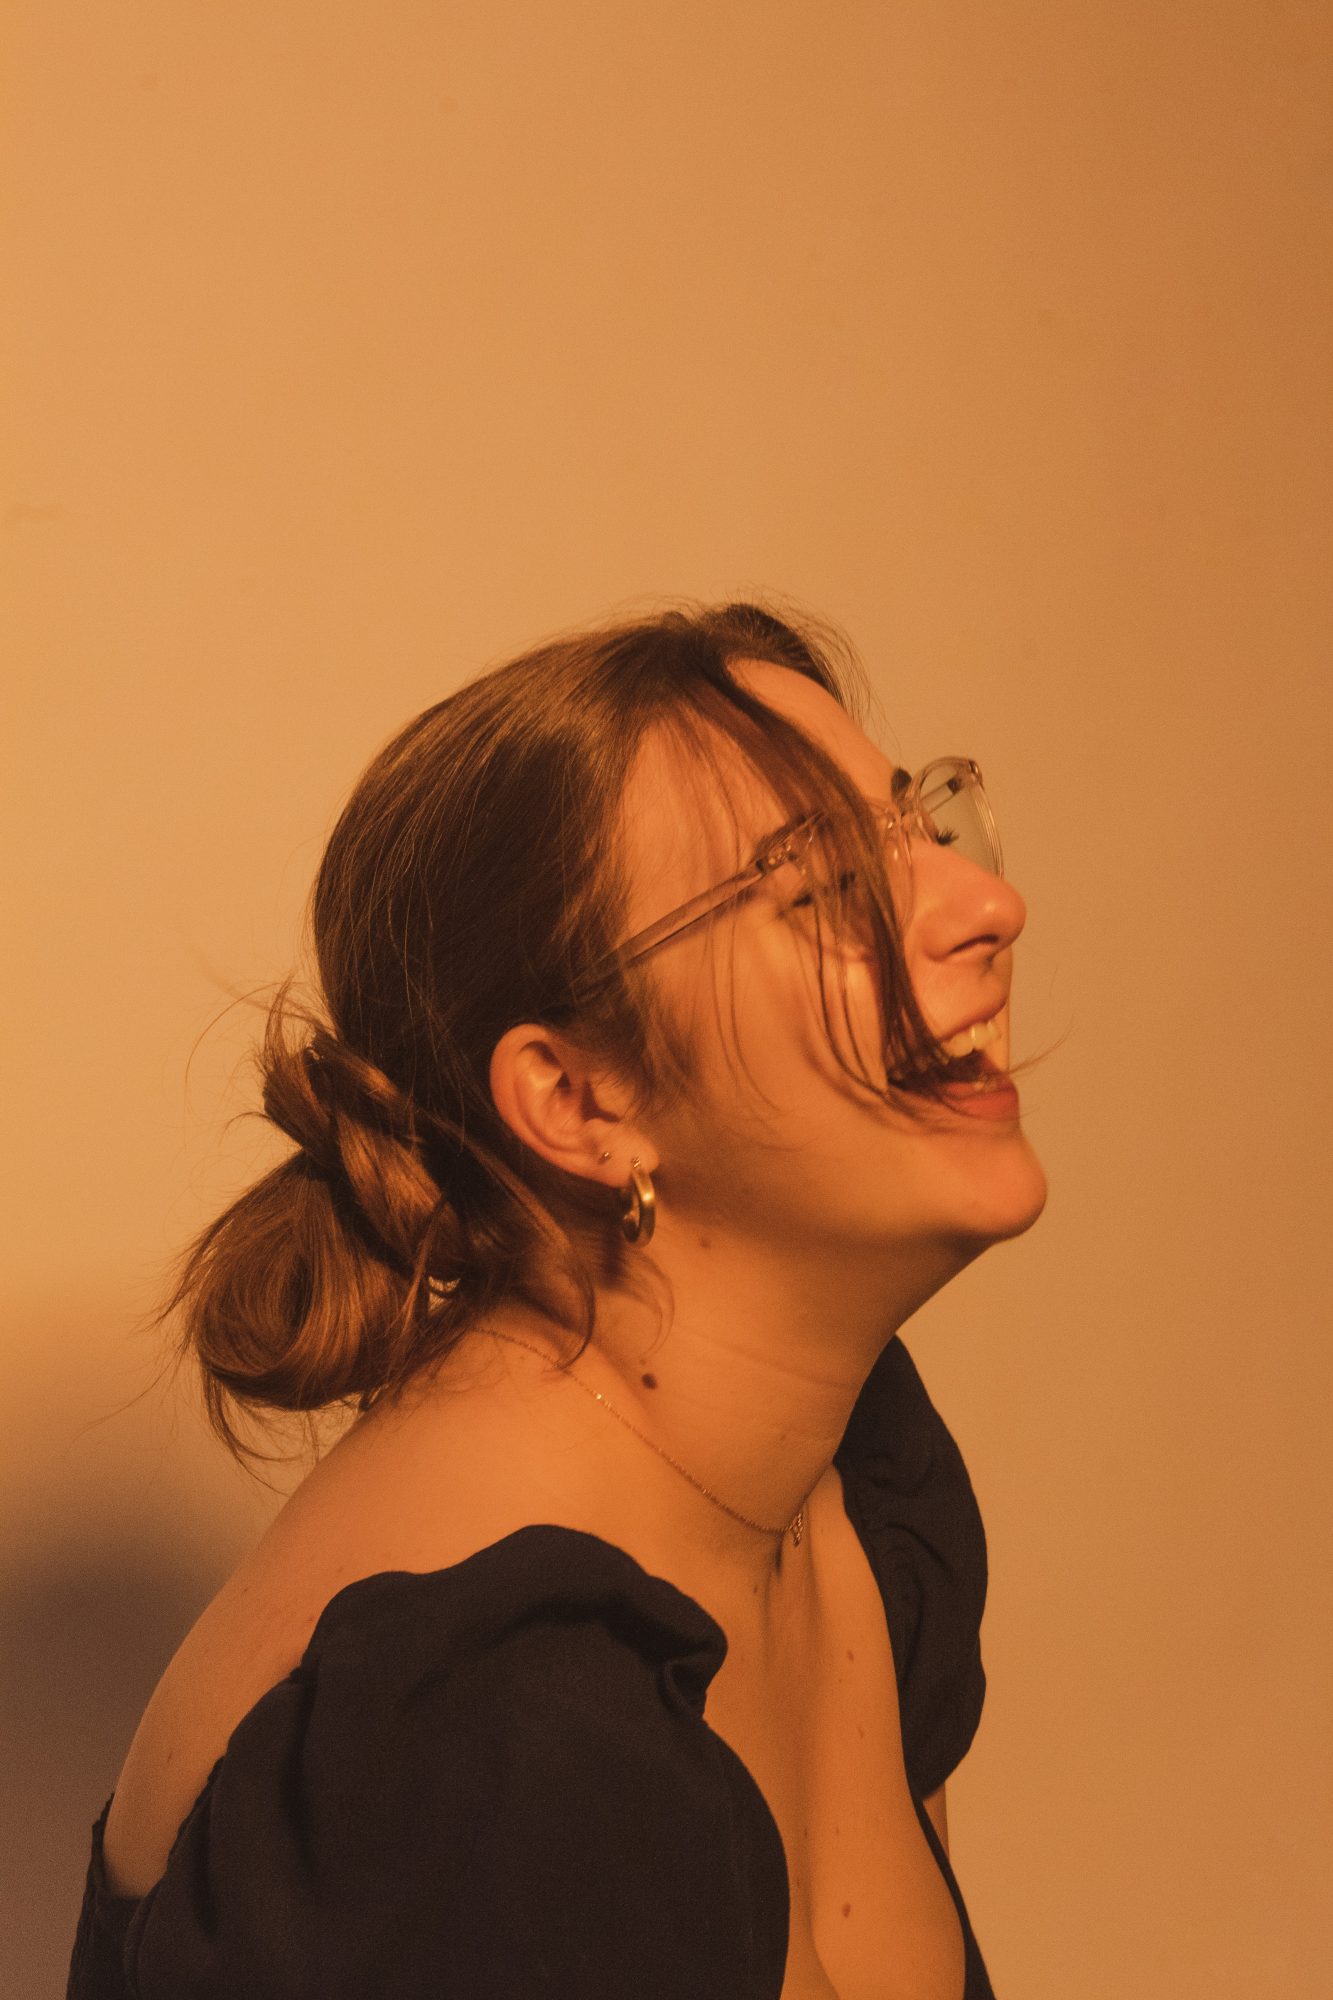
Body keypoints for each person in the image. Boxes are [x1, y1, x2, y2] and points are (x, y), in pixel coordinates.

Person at [66, 599, 1049, 2000]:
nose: (989, 907)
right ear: (580, 1101)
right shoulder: (489, 1738)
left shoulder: (846, 1465)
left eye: (923, 823)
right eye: (826, 883)